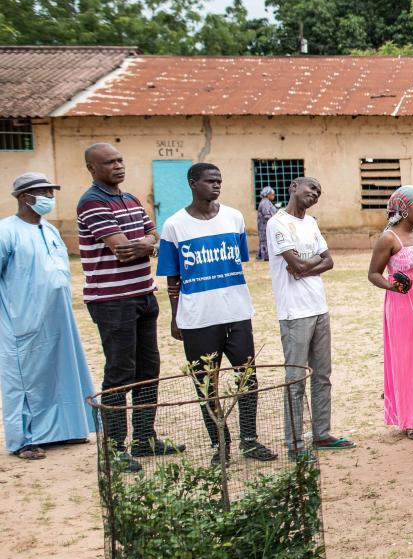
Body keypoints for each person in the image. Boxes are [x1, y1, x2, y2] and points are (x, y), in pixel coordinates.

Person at [157, 163, 274, 463]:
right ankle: (220, 444)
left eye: (220, 180)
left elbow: (238, 262)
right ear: (193, 183)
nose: (216, 185)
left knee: (247, 378)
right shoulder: (174, 225)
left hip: (236, 313)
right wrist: (175, 317)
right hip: (197, 318)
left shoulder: (234, 218)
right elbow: (173, 278)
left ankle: (250, 439)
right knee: (206, 385)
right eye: (210, 181)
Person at [78, 142, 181, 470]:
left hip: (143, 295)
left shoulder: (131, 199)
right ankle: (114, 449)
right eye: (109, 163)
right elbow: (122, 249)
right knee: (120, 373)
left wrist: (146, 244)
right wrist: (146, 244)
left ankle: (144, 439)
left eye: (120, 160)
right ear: (92, 169)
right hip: (112, 301)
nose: (118, 166)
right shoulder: (92, 202)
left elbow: (156, 238)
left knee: (148, 370)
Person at [1, 173, 98, 462]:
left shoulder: (50, 230)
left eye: (51, 191)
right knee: (23, 380)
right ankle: (23, 440)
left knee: (61, 371)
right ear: (25, 197)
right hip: (22, 320)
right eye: (42, 192)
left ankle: (64, 429)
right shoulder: (7, 231)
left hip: (58, 318)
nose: (49, 197)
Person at [266, 176, 353, 454]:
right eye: (311, 188)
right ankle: (294, 443)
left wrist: (307, 266)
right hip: (294, 313)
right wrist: (309, 263)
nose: (315, 193)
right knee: (295, 380)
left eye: (319, 191)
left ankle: (322, 434)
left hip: (319, 308)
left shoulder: (311, 223)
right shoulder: (277, 223)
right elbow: (297, 263)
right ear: (293, 187)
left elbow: (328, 261)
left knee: (322, 376)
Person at [369, 185, 413, 439]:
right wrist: (391, 286)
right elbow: (373, 274)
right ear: (403, 210)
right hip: (403, 304)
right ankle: (412, 419)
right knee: (409, 359)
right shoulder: (389, 239)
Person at [256, 186, 277, 260]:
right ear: (268, 194)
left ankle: (261, 255)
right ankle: (265, 256)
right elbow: (267, 215)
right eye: (272, 194)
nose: (273, 196)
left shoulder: (266, 202)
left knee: (264, 240)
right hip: (265, 225)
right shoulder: (265, 203)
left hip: (264, 225)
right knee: (265, 240)